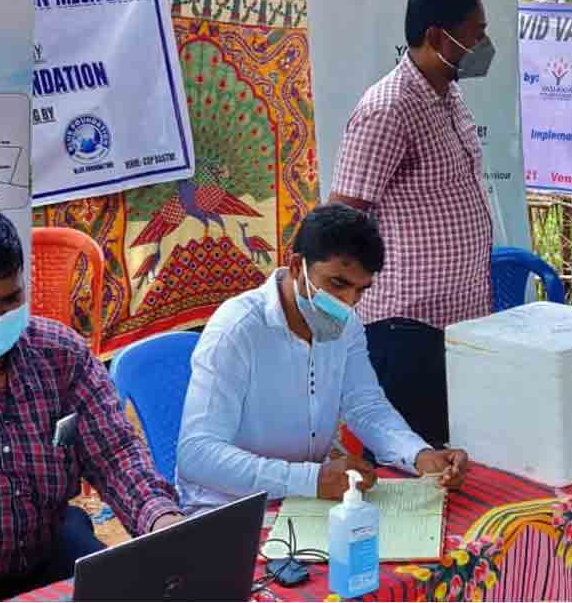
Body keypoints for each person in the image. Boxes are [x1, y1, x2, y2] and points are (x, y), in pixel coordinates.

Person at [0, 204, 183, 600]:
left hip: (47, 551)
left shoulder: (59, 354)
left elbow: (115, 454)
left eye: (10, 299)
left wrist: (161, 518)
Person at [176, 205, 469, 511]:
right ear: (296, 266)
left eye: (360, 290)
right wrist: (312, 479)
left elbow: (365, 405)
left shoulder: (346, 323)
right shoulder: (237, 329)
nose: (347, 302)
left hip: (306, 501)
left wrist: (419, 455)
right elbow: (197, 455)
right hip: (230, 508)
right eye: (337, 284)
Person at [329, 0, 495, 448]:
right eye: (476, 33)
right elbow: (342, 220)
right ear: (437, 37)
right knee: (410, 467)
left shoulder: (450, 95)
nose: (483, 44)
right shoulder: (388, 108)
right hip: (405, 330)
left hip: (460, 321)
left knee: (455, 458)